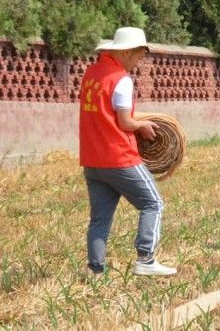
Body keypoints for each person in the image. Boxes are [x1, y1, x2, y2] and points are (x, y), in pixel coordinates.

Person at [79, 26, 176, 276]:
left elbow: (103, 114)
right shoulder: (120, 79)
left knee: (100, 218)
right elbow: (124, 122)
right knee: (153, 203)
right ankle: (146, 258)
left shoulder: (92, 74)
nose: (139, 62)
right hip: (119, 157)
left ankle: (96, 270)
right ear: (126, 53)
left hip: (92, 160)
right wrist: (142, 125)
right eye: (139, 56)